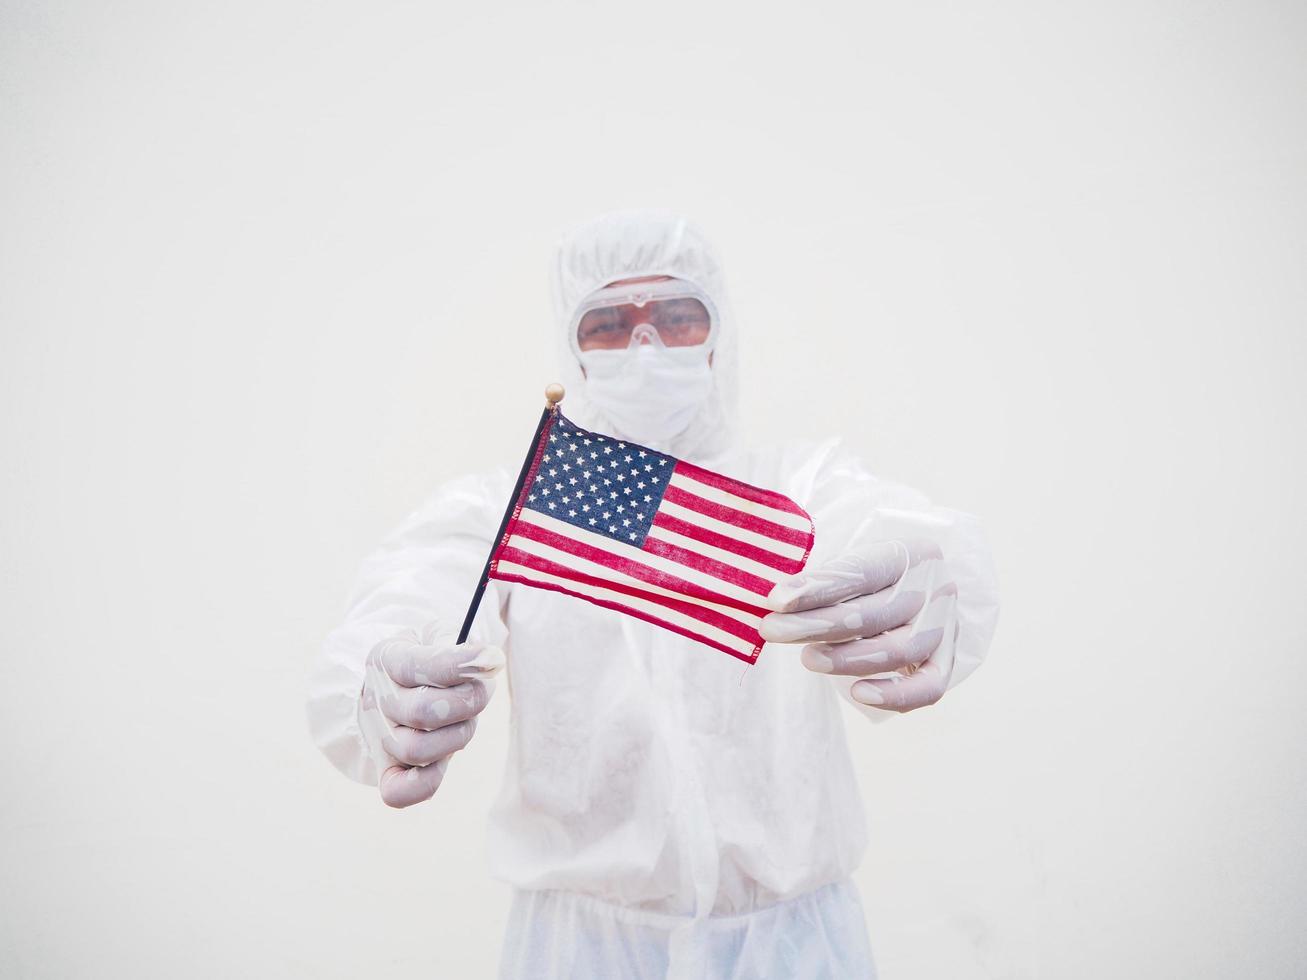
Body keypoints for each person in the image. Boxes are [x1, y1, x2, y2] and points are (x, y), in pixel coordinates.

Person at [306, 209, 1000, 978]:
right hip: (578, 950)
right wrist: (384, 679)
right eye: (607, 321)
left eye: (676, 315)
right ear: (571, 348)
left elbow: (890, 526)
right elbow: (410, 590)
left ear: (717, 336)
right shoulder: (512, 508)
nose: (644, 344)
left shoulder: (795, 491)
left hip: (795, 947)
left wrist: (920, 578)